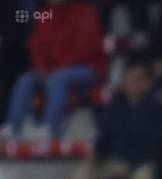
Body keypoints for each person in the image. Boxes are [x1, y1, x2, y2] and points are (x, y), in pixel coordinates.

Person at [71, 59, 162, 179]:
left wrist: (132, 162)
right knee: (82, 173)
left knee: (144, 176)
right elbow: (104, 137)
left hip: (140, 163)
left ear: (146, 83)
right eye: (129, 79)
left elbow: (156, 143)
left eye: (138, 79)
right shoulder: (116, 105)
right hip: (114, 162)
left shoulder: (155, 107)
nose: (133, 84)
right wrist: (94, 155)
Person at [0, 0, 106, 140]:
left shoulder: (85, 11)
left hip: (88, 69)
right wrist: (42, 68)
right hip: (52, 71)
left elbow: (86, 48)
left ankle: (50, 128)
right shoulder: (45, 13)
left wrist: (57, 69)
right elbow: (36, 44)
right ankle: (14, 126)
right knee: (26, 79)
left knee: (58, 78)